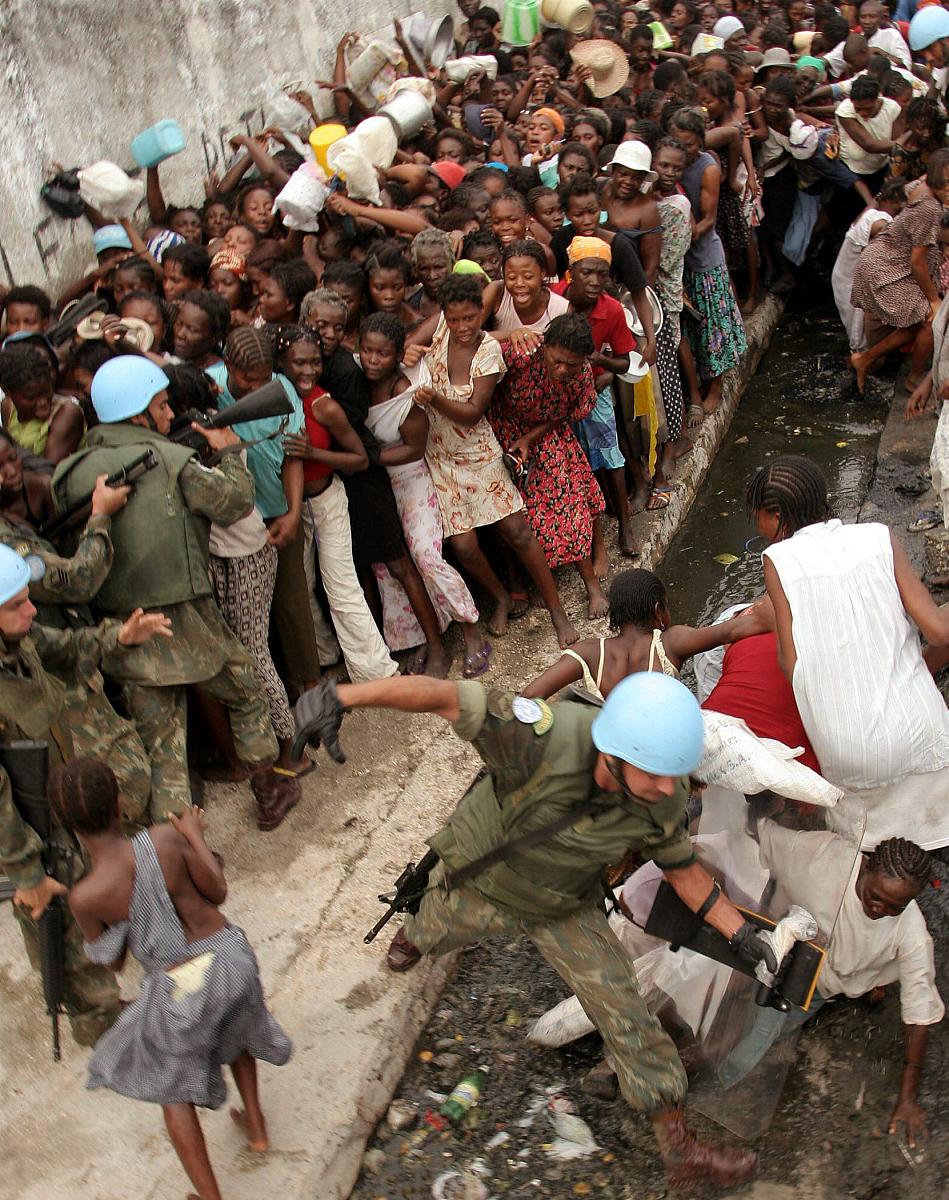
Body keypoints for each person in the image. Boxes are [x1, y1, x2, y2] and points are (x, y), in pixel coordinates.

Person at [293, 670, 766, 1191]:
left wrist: (739, 933)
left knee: (628, 1014)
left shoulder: (663, 796)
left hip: (563, 907)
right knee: (427, 931)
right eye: (657, 773)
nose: (669, 788)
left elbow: (684, 872)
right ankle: (415, 932)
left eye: (676, 775)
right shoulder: (542, 737)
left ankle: (681, 1154)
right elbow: (444, 696)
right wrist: (340, 696)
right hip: (482, 882)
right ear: (615, 753)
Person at [50, 356, 301, 830]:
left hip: (122, 626)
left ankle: (181, 845)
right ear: (138, 413)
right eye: (162, 405)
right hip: (185, 614)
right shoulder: (170, 460)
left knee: (163, 738)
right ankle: (269, 790)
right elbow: (234, 504)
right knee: (245, 690)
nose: (170, 414)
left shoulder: (70, 472)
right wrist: (229, 452)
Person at [56, 758, 291, 1200]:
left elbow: (113, 962)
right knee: (236, 1027)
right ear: (119, 804)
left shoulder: (84, 896)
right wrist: (195, 834)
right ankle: (257, 1127)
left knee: (171, 1089)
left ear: (68, 826)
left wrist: (120, 917)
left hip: (181, 988)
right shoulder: (164, 838)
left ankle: (210, 1197)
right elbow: (218, 890)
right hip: (231, 960)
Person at [0, 544, 169, 1048]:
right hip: (19, 829)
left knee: (83, 894)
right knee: (55, 919)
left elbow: (65, 647)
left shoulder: (18, 640)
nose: (31, 610)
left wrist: (119, 636)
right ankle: (97, 1018)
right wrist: (26, 873)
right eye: (17, 605)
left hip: (54, 801)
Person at [750, 455, 949, 850]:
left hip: (850, 751)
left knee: (866, 846)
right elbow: (941, 633)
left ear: (777, 516)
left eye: (757, 516)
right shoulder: (878, 536)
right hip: (924, 732)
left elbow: (791, 666)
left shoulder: (777, 560)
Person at [417, 274, 580, 648]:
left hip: (477, 451)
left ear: (482, 313)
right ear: (445, 315)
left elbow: (473, 412)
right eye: (454, 319)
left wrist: (434, 398)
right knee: (463, 546)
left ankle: (557, 611)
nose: (462, 327)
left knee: (517, 531)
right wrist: (412, 354)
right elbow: (407, 344)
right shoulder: (439, 327)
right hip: (439, 455)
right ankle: (502, 597)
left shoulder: (489, 350)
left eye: (470, 318)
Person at [0, 435, 154, 823]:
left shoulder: (13, 520)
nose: (10, 472)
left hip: (59, 664)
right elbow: (78, 579)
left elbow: (56, 643)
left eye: (12, 458)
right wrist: (99, 517)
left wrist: (119, 636)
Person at [360, 313, 490, 679]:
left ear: (396, 355)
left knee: (426, 556)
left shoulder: (406, 392)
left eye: (382, 353)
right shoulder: (356, 381)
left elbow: (413, 449)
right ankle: (421, 635)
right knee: (387, 567)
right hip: (379, 487)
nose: (373, 360)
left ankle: (470, 629)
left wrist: (367, 458)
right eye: (367, 351)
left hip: (411, 480)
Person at [522, 568, 768, 700]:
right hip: (658, 764)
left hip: (610, 764)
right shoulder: (670, 643)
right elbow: (732, 629)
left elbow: (529, 696)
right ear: (658, 610)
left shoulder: (587, 651)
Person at [552, 237, 638, 556]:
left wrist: (601, 363)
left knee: (610, 455)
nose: (594, 281)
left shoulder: (611, 309)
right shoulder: (554, 300)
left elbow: (625, 361)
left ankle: (626, 526)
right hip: (557, 388)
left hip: (594, 386)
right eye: (586, 272)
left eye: (602, 274)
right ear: (571, 273)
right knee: (573, 460)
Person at [668, 107, 747, 416]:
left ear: (700, 142)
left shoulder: (707, 168)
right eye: (678, 143)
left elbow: (707, 220)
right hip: (679, 260)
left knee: (713, 324)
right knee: (690, 328)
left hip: (703, 258)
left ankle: (716, 387)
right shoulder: (668, 164)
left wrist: (679, 241)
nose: (683, 150)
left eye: (689, 144)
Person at [850, 149, 949, 394]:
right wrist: (934, 300)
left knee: (919, 321)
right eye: (945, 183)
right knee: (932, 321)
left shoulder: (922, 186)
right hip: (887, 269)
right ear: (934, 179)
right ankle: (913, 379)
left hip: (885, 261)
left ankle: (866, 359)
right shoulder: (930, 209)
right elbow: (917, 263)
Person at [831, 184, 905, 353]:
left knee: (859, 325)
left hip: (849, 275)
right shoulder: (876, 219)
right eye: (897, 209)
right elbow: (882, 229)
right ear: (886, 201)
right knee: (857, 330)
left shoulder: (871, 211)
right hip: (850, 279)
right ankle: (860, 357)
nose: (898, 213)